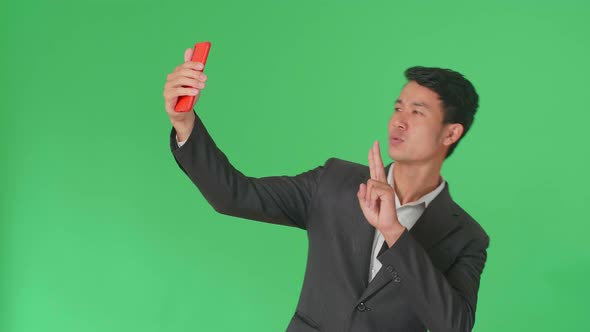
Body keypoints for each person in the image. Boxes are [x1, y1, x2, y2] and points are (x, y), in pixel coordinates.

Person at [163, 47, 490, 332]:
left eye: (417, 112)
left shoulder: (466, 237)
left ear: (451, 134)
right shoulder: (335, 183)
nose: (399, 121)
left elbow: (454, 325)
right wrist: (184, 123)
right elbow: (234, 195)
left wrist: (394, 232)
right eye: (398, 107)